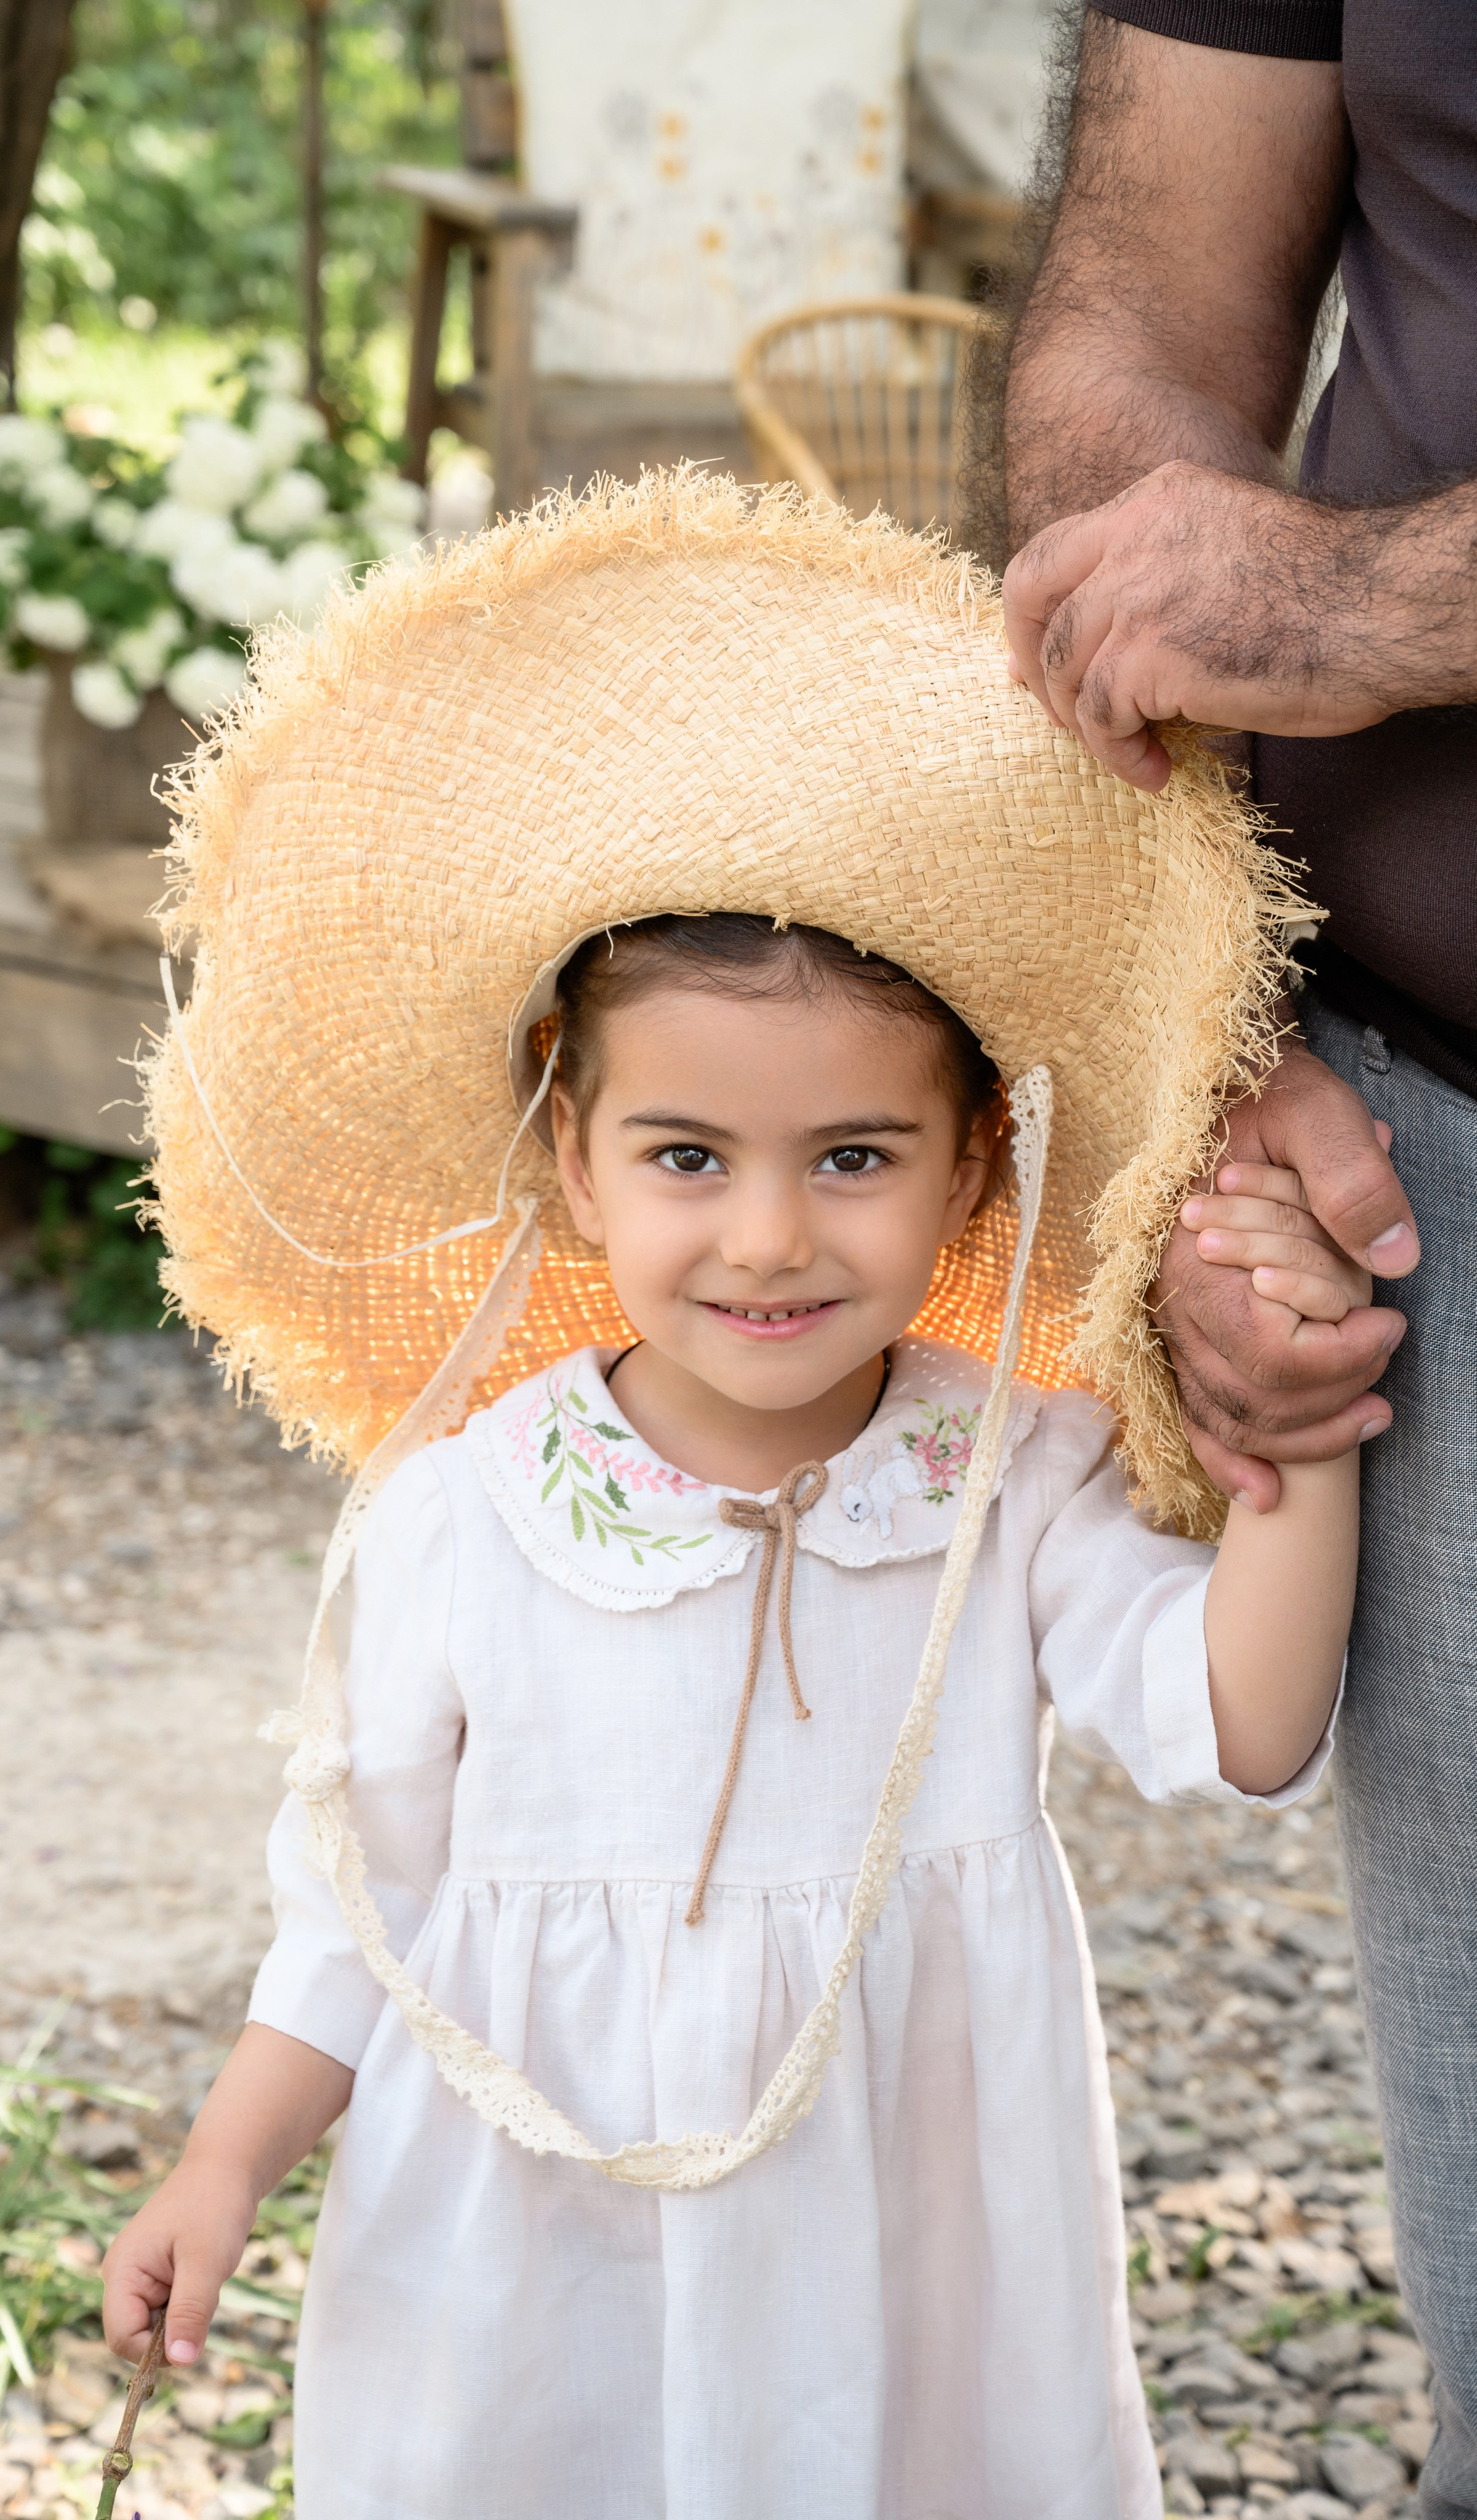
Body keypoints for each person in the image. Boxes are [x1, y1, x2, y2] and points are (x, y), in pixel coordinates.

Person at [102, 474, 1360, 2515]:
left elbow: (1244, 1720)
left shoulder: (999, 1478)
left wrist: (1300, 1426)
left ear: (972, 1166)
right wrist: (223, 2167)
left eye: (853, 1157)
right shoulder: (465, 1516)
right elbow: (355, 1909)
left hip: (898, 2253)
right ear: (572, 1162)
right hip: (536, 2253)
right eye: (688, 1157)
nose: (769, 1236)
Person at [996, 11, 1477, 2506]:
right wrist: (1211, 1017)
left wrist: (1382, 598)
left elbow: (1310, 595)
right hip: (1436, 1150)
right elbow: (1143, 306)